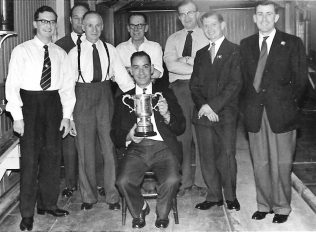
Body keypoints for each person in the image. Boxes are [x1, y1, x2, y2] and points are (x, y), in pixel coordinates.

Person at [5, 6, 75, 231]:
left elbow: (67, 87)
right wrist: (17, 116)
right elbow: (12, 85)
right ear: (35, 24)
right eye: (44, 21)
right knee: (29, 161)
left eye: (52, 22)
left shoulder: (60, 53)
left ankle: (48, 204)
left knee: (53, 157)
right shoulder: (21, 50)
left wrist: (66, 116)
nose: (49, 25)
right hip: (29, 107)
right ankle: (27, 213)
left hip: (53, 104)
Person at [240, 1, 308, 223]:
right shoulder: (246, 44)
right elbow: (242, 81)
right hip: (255, 113)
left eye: (269, 14)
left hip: (283, 113)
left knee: (281, 163)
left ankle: (282, 207)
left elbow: (300, 81)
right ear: (254, 18)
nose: (264, 18)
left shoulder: (292, 43)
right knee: (260, 163)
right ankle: (264, 204)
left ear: (276, 17)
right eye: (260, 14)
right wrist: (246, 107)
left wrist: (289, 106)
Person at [67, 11, 134, 211]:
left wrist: (139, 97)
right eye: (89, 25)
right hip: (82, 98)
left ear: (102, 27)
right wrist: (68, 116)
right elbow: (67, 87)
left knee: (109, 147)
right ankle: (88, 196)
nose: (94, 30)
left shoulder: (110, 49)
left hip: (105, 96)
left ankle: (112, 196)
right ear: (82, 27)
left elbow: (123, 78)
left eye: (98, 25)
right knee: (85, 149)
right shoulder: (74, 53)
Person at [112, 51, 185, 229]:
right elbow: (114, 135)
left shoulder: (165, 93)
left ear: (152, 69)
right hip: (136, 149)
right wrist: (129, 136)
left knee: (173, 179)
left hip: (163, 147)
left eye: (145, 67)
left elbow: (181, 126)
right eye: (136, 68)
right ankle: (140, 209)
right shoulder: (123, 98)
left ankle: (162, 214)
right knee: (122, 181)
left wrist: (167, 114)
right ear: (130, 71)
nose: (141, 72)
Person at [190, 11, 242, 211]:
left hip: (225, 113)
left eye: (214, 25)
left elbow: (235, 84)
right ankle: (213, 197)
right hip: (203, 114)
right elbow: (194, 86)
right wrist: (204, 106)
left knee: (227, 156)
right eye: (206, 26)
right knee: (207, 156)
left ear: (223, 25)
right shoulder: (201, 54)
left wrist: (213, 106)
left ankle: (230, 197)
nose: (210, 29)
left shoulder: (235, 51)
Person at [164, 0, 208, 196]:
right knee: (182, 137)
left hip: (202, 89)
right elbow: (171, 66)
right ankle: (184, 182)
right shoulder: (172, 38)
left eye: (190, 12)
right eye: (182, 14)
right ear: (178, 17)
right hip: (179, 89)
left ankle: (204, 182)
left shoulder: (208, 35)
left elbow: (210, 67)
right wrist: (196, 65)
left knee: (203, 137)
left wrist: (188, 61)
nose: (187, 17)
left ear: (197, 14)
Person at [55, 3, 89, 198]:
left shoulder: (97, 42)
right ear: (70, 20)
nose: (79, 22)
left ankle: (95, 181)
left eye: (83, 18)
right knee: (68, 142)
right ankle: (70, 183)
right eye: (75, 17)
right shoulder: (60, 45)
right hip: (66, 99)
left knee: (92, 142)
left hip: (88, 98)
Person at [116, 12, 163, 80]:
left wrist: (128, 70)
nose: (136, 29)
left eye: (140, 25)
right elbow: (116, 74)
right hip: (126, 89)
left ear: (146, 28)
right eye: (132, 25)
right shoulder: (119, 49)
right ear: (128, 28)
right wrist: (146, 70)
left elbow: (157, 73)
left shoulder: (155, 47)